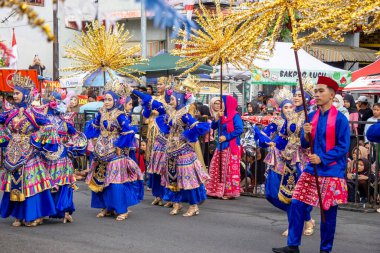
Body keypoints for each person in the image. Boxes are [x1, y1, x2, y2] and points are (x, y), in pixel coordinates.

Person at [273, 76, 350, 253]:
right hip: (311, 169)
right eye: (315, 91)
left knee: (328, 213)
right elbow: (305, 144)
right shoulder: (312, 116)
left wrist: (322, 158)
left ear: (332, 95)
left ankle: (325, 249)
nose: (317, 94)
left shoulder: (340, 119)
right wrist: (306, 135)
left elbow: (343, 146)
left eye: (321, 91)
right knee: (297, 203)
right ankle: (293, 245)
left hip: (331, 171)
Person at [0, 74, 58, 227]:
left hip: (29, 154)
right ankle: (18, 215)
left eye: (17, 93)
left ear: (25, 95)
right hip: (13, 153)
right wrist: (5, 137)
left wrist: (35, 140)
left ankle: (33, 215)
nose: (14, 96)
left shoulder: (34, 113)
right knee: (14, 183)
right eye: (14, 93)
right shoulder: (10, 112)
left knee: (30, 183)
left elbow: (49, 126)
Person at [254, 88, 314, 237]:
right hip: (288, 158)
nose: (296, 97)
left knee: (301, 194)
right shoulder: (290, 117)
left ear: (307, 99)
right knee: (284, 193)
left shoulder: (311, 115)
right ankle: (296, 223)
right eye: (295, 95)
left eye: (300, 95)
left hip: (304, 159)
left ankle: (305, 220)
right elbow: (283, 136)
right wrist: (274, 143)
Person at [84, 80, 141, 221]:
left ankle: (122, 209)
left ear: (116, 100)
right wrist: (94, 139)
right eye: (105, 99)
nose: (106, 102)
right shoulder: (101, 112)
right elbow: (94, 127)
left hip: (115, 152)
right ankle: (106, 207)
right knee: (100, 180)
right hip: (100, 151)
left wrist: (120, 146)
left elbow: (128, 132)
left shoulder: (120, 115)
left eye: (109, 99)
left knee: (115, 181)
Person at [41, 92, 87, 223]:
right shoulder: (42, 118)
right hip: (45, 157)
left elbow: (75, 135)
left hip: (61, 156)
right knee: (46, 184)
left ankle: (64, 210)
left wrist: (73, 147)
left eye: (57, 101)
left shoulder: (64, 119)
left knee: (63, 184)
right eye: (52, 101)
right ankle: (46, 210)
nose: (54, 104)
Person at [133, 76, 170, 206]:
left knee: (164, 165)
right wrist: (149, 109)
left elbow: (168, 112)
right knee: (153, 164)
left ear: (167, 85)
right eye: (157, 84)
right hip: (152, 132)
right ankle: (157, 194)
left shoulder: (171, 99)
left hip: (164, 133)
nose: (158, 86)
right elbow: (146, 116)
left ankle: (168, 194)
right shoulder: (153, 98)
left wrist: (158, 109)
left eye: (161, 84)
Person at [206, 95, 244, 199]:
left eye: (222, 102)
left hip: (231, 145)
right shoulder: (223, 114)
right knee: (217, 167)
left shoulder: (235, 115)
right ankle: (215, 190)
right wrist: (217, 117)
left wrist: (226, 137)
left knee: (229, 170)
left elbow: (239, 129)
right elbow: (213, 127)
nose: (220, 104)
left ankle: (229, 192)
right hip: (221, 145)